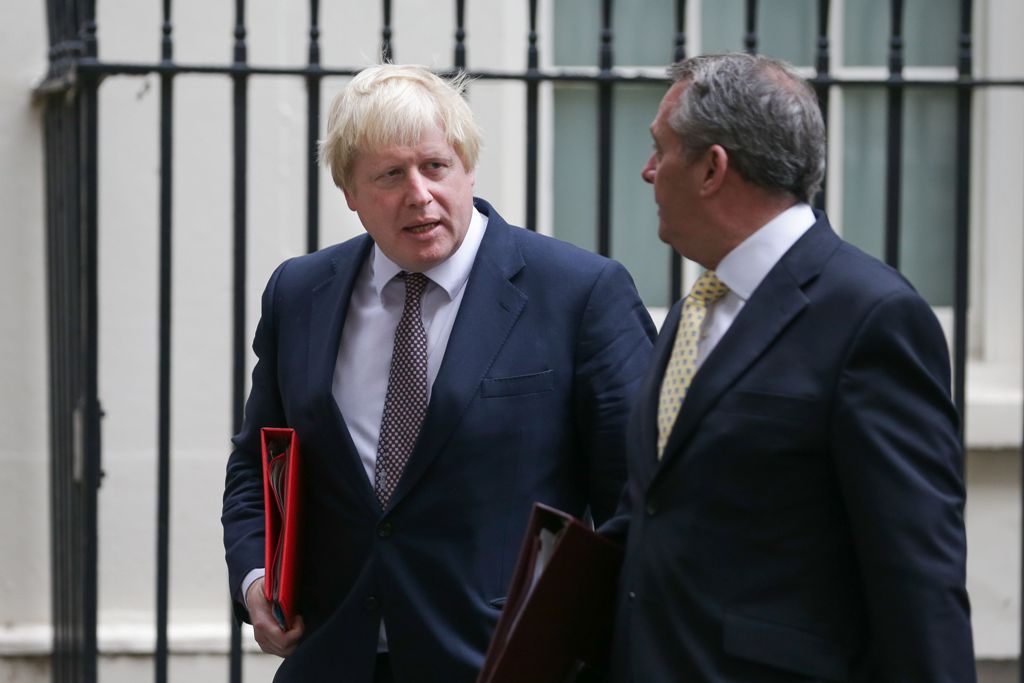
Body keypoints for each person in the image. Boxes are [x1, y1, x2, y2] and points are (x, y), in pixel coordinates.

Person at [221, 63, 655, 683]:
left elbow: (637, 503)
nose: (419, 194)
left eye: (435, 166)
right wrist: (257, 578)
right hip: (331, 659)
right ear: (349, 191)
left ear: (468, 168)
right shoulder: (300, 294)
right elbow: (257, 468)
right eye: (391, 175)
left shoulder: (580, 293)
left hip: (504, 664)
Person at [606, 53, 975, 682]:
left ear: (712, 168)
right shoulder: (695, 308)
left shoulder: (873, 317)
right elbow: (656, 509)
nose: (647, 172)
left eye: (660, 150)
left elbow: (917, 575)